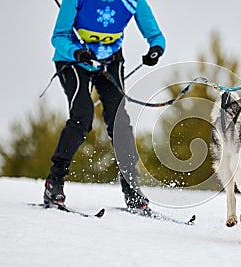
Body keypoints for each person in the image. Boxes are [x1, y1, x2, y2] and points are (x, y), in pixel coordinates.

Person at [44, 0, 165, 210]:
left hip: (109, 61)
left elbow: (156, 36)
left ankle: (132, 189)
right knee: (82, 116)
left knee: (119, 121)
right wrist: (77, 52)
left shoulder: (131, 2)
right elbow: (59, 37)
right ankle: (54, 182)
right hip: (73, 61)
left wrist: (155, 49)